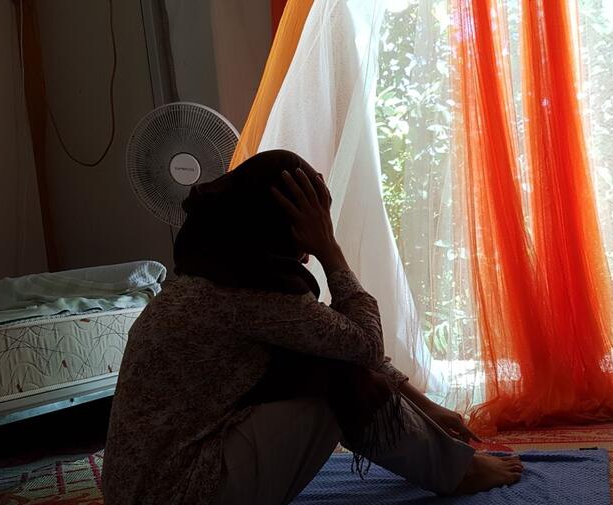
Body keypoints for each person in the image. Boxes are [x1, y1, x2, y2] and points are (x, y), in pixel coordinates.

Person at [102, 150, 522, 505]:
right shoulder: (248, 298)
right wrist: (330, 250)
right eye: (305, 226)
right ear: (275, 222)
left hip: (146, 490)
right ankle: (457, 474)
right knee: (340, 383)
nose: (306, 246)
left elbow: (328, 345)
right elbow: (364, 349)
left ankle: (446, 462)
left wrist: (426, 408)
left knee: (328, 366)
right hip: (182, 492)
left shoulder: (216, 278)